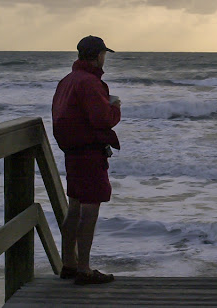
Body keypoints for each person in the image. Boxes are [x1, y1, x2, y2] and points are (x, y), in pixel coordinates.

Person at [51, 35, 121, 285]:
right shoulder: (90, 83)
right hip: (89, 151)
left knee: (75, 207)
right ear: (98, 56)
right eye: (103, 54)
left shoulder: (67, 81)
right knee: (89, 210)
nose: (104, 59)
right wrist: (115, 107)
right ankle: (84, 269)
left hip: (72, 151)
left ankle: (69, 263)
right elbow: (102, 119)